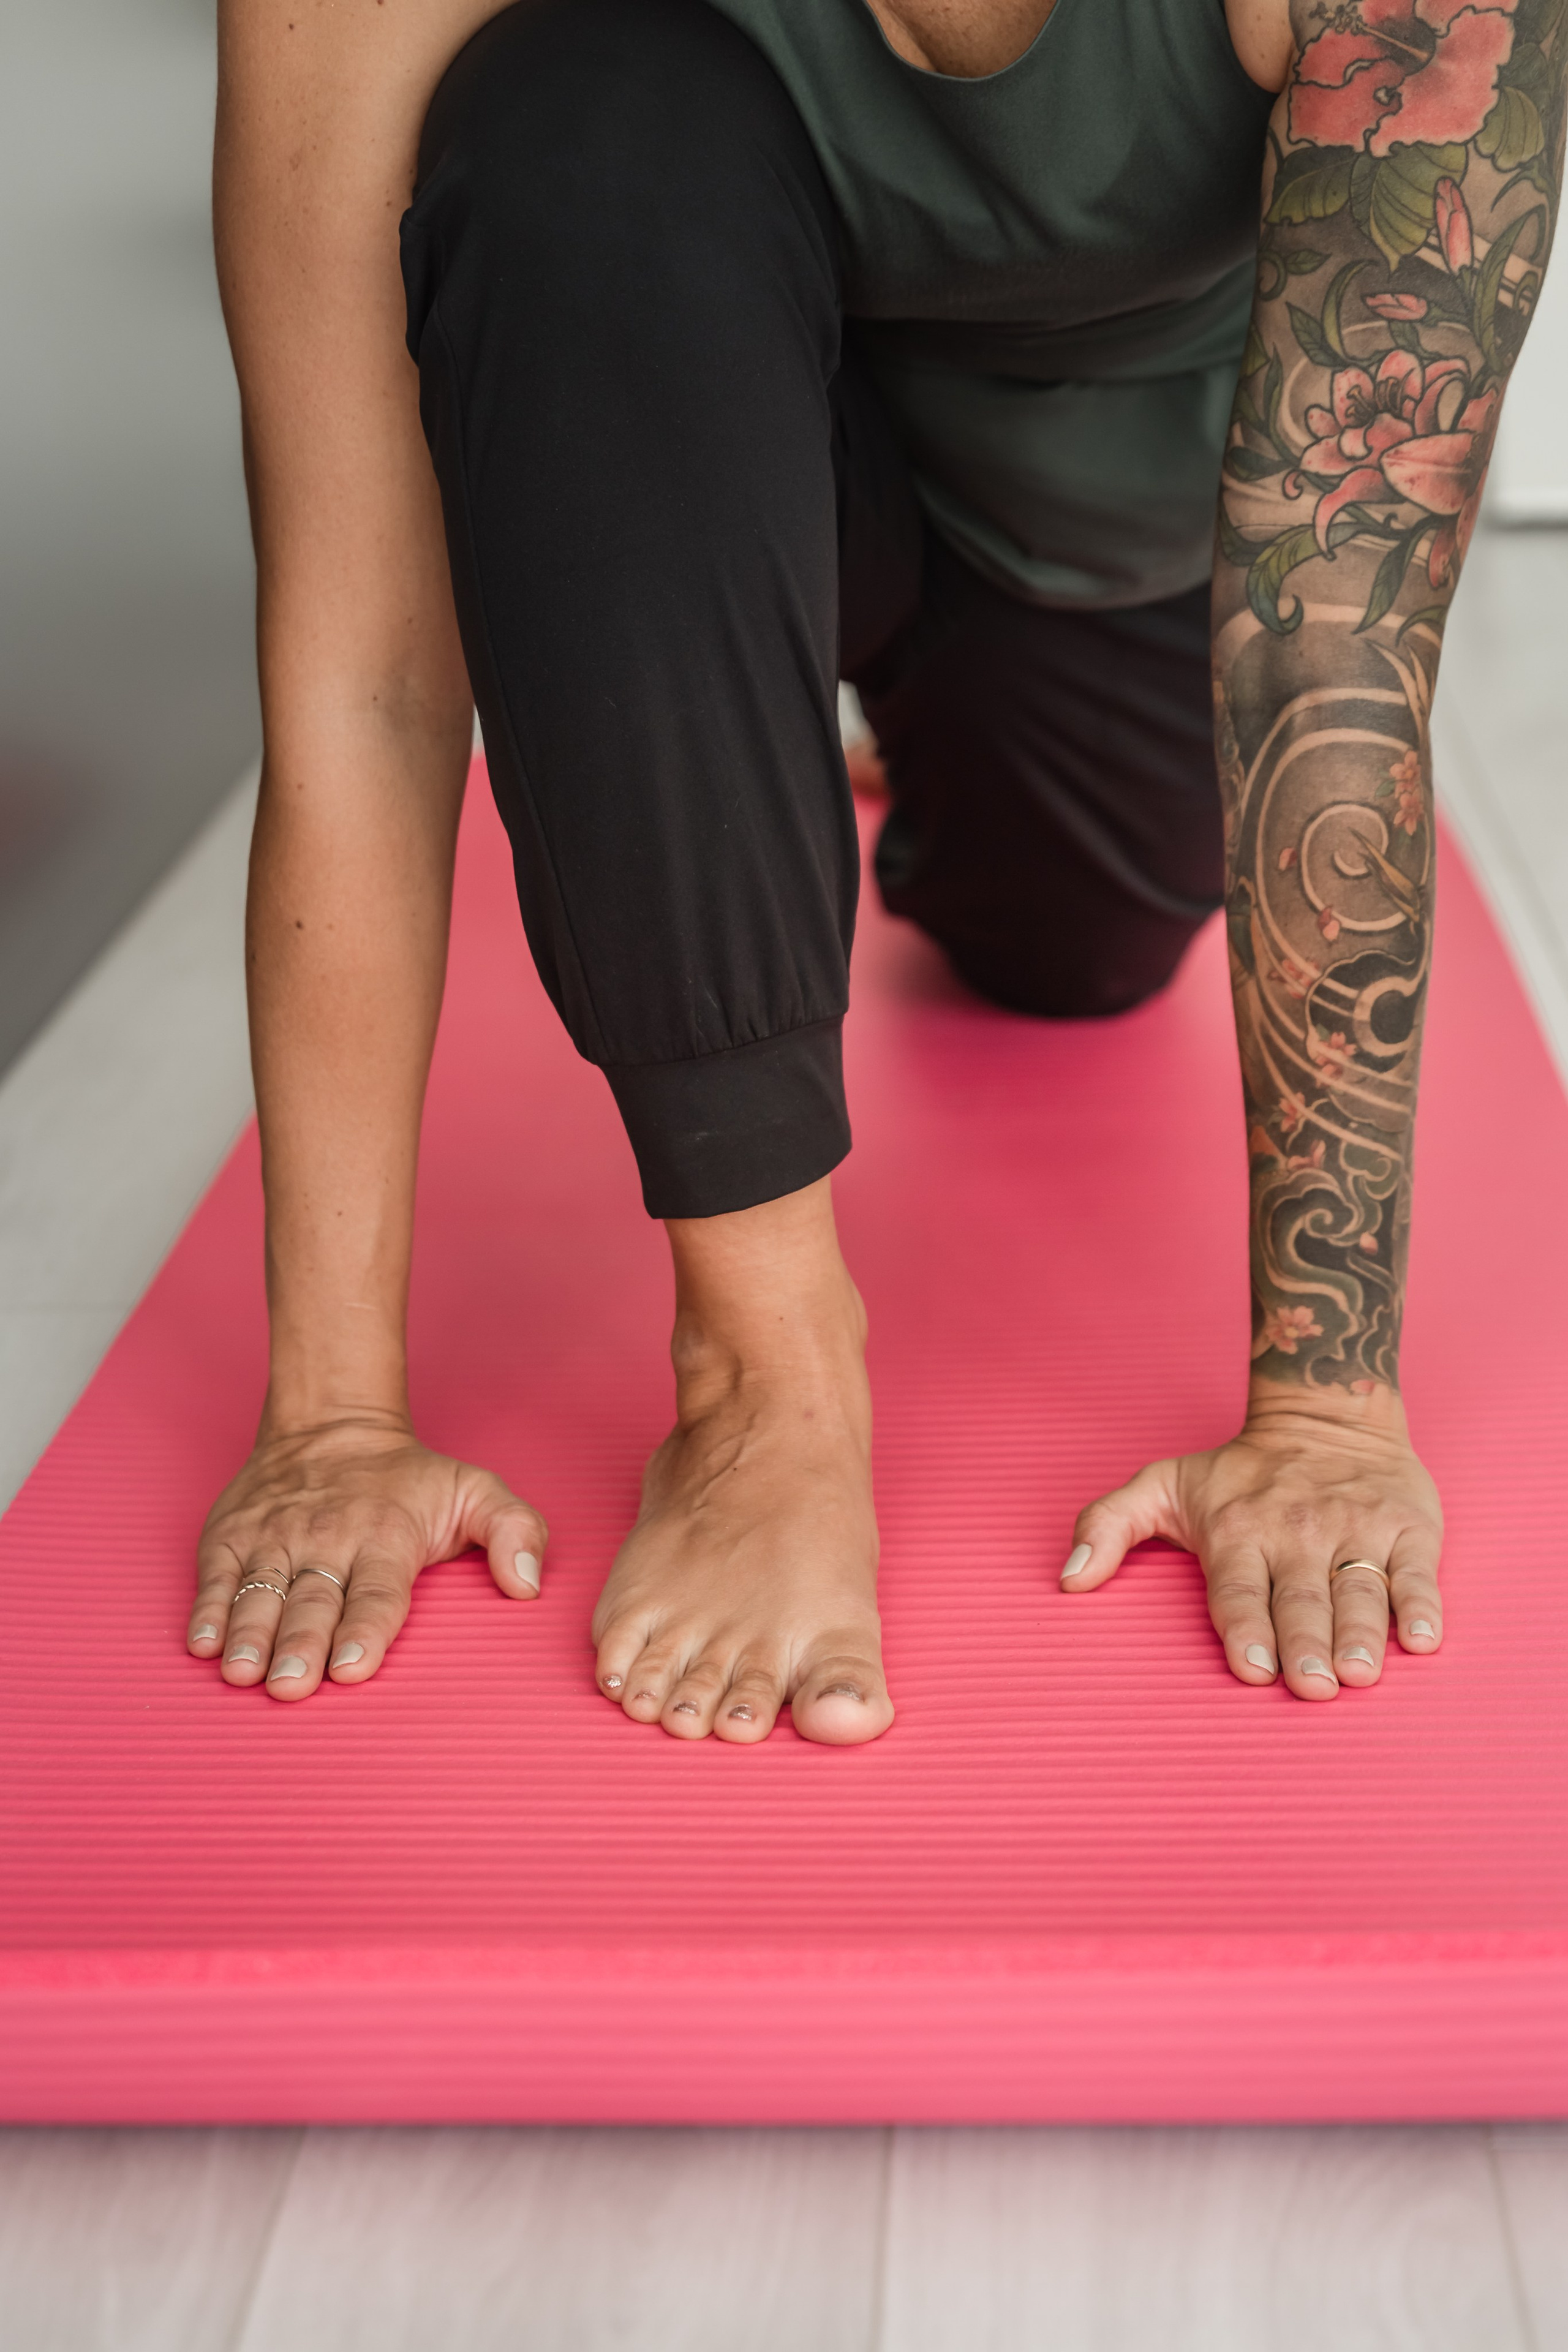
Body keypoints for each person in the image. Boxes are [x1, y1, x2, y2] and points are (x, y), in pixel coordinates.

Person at [189, 0, 1561, 1738]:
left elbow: (1333, 647)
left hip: (1101, 567)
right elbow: (371, 680)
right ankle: (761, 1378)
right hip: (693, 442)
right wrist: (331, 1420)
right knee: (575, 120)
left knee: (1070, 952)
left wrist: (1327, 1415)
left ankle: (861, 751)